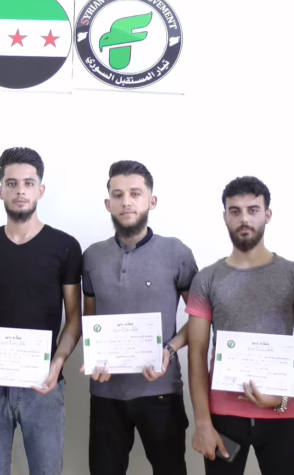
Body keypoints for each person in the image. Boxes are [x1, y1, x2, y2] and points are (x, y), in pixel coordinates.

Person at [0, 147, 82, 475]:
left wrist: (57, 364)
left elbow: (74, 319)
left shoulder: (65, 246)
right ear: (0, 190)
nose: (20, 190)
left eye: (28, 183)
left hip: (44, 385)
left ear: (41, 190)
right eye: (12, 183)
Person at [187, 176, 294, 475]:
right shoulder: (206, 279)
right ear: (225, 217)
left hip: (280, 415)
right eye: (235, 211)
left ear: (267, 214)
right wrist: (203, 423)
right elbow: (196, 355)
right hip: (222, 419)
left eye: (253, 210)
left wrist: (283, 397)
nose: (244, 219)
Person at [82, 160, 197, 475]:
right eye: (118, 195)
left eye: (135, 193)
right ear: (108, 203)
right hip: (105, 392)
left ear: (151, 201)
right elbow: (89, 320)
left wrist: (169, 349)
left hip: (160, 391)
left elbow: (200, 320)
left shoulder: (177, 253)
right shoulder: (91, 256)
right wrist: (93, 356)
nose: (126, 202)